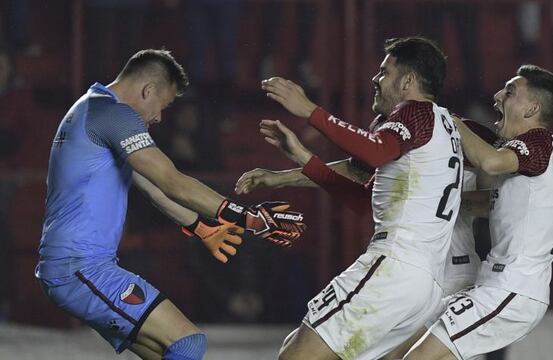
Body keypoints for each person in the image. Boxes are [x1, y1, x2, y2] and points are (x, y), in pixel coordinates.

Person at [34, 49, 306, 359]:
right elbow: (172, 181)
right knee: (187, 342)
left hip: (75, 266)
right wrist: (250, 217)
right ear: (148, 90)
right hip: (82, 268)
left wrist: (200, 226)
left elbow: (154, 189)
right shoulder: (113, 114)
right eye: (163, 105)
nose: (159, 117)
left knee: (166, 353)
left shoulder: (90, 111)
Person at [255, 36, 464, 360]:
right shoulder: (442, 125)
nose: (375, 80)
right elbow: (364, 199)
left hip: (394, 266)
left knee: (295, 357)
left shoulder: (415, 112)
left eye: (384, 72)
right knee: (295, 349)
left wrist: (310, 110)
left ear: (408, 81)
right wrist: (300, 161)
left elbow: (375, 151)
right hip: (424, 284)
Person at [402, 65, 553, 360]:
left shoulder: (538, 143)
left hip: (511, 290)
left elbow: (490, 163)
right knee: (407, 343)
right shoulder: (549, 149)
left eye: (510, 92)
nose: (498, 96)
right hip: (500, 287)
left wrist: (445, 118)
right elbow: (496, 205)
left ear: (532, 108)